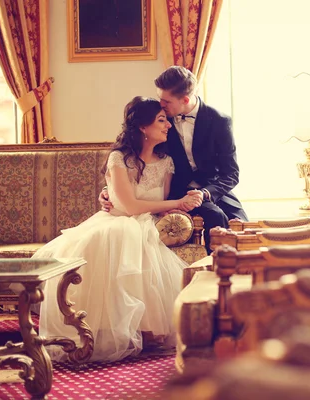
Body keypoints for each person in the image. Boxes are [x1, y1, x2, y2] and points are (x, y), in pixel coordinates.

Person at [33, 96, 203, 362]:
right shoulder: (119, 158)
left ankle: (147, 332)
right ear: (143, 127)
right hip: (117, 220)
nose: (168, 125)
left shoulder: (166, 161)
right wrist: (178, 202)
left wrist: (172, 207)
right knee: (115, 238)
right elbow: (129, 205)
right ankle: (102, 331)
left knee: (141, 242)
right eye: (161, 120)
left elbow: (156, 204)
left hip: (146, 224)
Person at [100, 66, 248, 253]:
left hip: (211, 189)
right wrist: (109, 190)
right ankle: (216, 272)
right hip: (176, 192)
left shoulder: (219, 121)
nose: (160, 104)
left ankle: (236, 272)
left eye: (166, 101)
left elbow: (231, 174)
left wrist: (205, 193)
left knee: (241, 224)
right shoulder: (157, 120)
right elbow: (130, 155)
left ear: (185, 100)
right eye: (159, 97)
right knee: (214, 216)